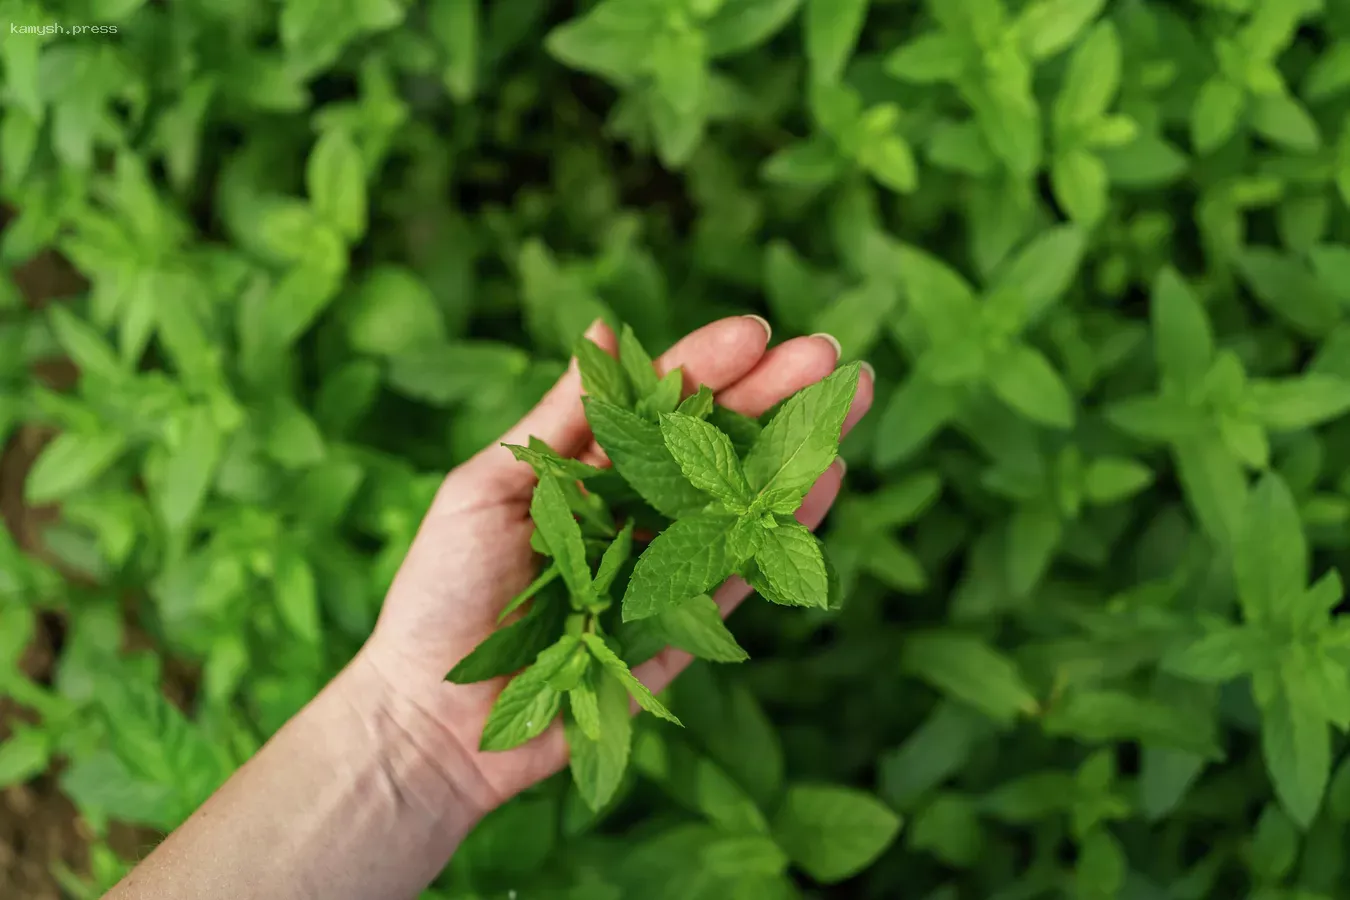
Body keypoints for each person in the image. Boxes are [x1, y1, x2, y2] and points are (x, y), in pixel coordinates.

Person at [103, 316, 874, 900]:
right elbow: (654, 569)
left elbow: (664, 561)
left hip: (704, 514)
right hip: (654, 544)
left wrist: (402, 734)